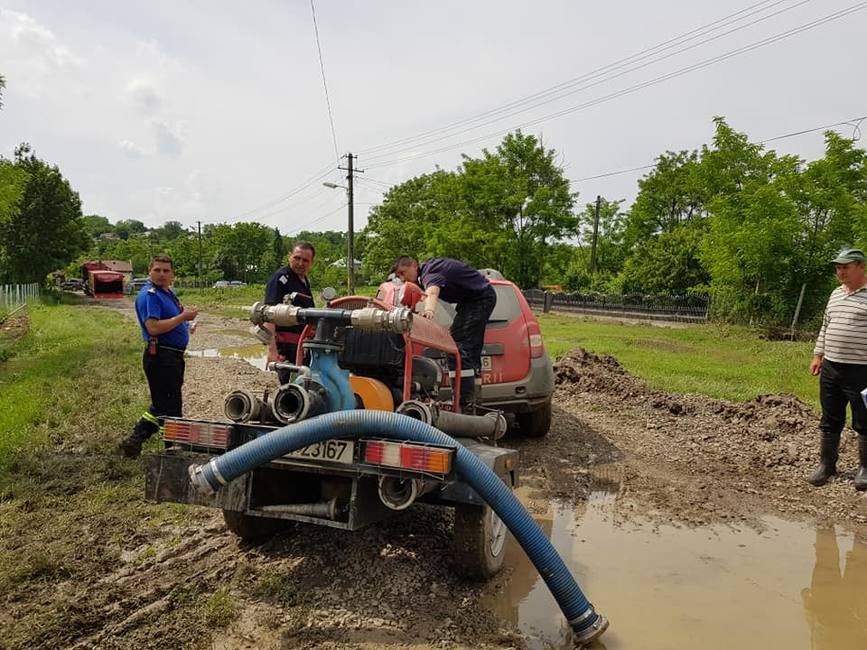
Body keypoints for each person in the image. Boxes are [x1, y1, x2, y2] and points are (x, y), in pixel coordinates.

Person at [392, 255, 496, 409]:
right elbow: (424, 295)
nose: (402, 279)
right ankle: (474, 401)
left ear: (414, 266)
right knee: (471, 350)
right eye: (398, 276)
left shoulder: (430, 272)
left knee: (456, 347)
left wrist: (428, 312)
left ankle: (464, 401)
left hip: (480, 299)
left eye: (403, 272)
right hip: (474, 300)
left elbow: (432, 293)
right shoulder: (427, 273)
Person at [120, 255, 198, 458]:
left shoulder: (168, 293)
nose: (162, 274)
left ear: (172, 274)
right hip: (161, 356)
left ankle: (134, 440)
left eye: (166, 271)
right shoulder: (150, 295)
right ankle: (174, 451)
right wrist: (183, 317)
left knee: (161, 404)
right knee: (171, 407)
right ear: (149, 271)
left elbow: (173, 318)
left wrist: (187, 324)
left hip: (171, 357)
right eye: (157, 270)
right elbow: (153, 327)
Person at [809, 247, 867, 490]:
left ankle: (864, 469)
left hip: (862, 371)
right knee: (830, 417)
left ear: (861, 267)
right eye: (838, 267)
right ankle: (827, 465)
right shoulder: (835, 294)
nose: (840, 271)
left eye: (845, 267)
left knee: (864, 419)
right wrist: (817, 354)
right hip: (831, 367)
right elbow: (825, 326)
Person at [264, 242, 315, 384]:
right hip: (285, 346)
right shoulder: (281, 279)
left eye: (305, 260)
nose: (300, 263)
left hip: (302, 345)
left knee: (302, 385)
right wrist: (272, 351)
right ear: (289, 257)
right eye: (297, 258)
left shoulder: (303, 280)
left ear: (311, 263)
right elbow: (269, 315)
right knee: (289, 390)